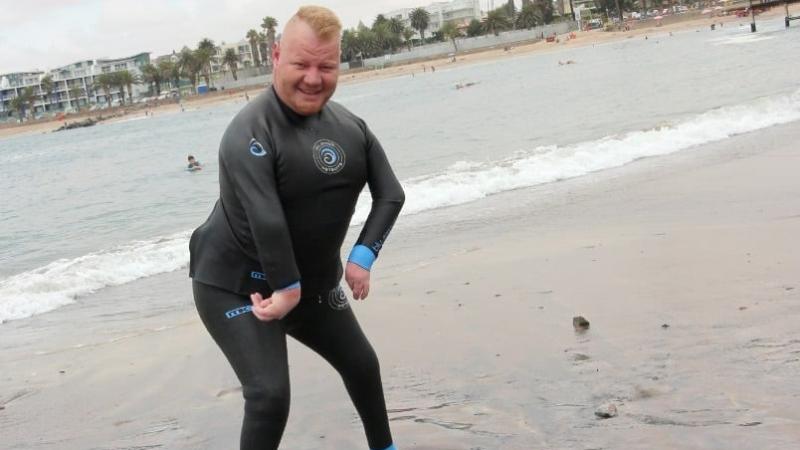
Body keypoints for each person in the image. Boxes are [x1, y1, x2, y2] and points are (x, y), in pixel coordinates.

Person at [188, 6, 404, 450]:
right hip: (234, 285)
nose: (313, 77)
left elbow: (391, 195)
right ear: (275, 55)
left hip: (308, 284)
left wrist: (361, 258)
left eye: (325, 66)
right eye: (301, 64)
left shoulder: (351, 129)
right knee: (269, 395)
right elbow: (265, 217)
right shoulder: (248, 132)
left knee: (362, 365)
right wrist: (286, 291)